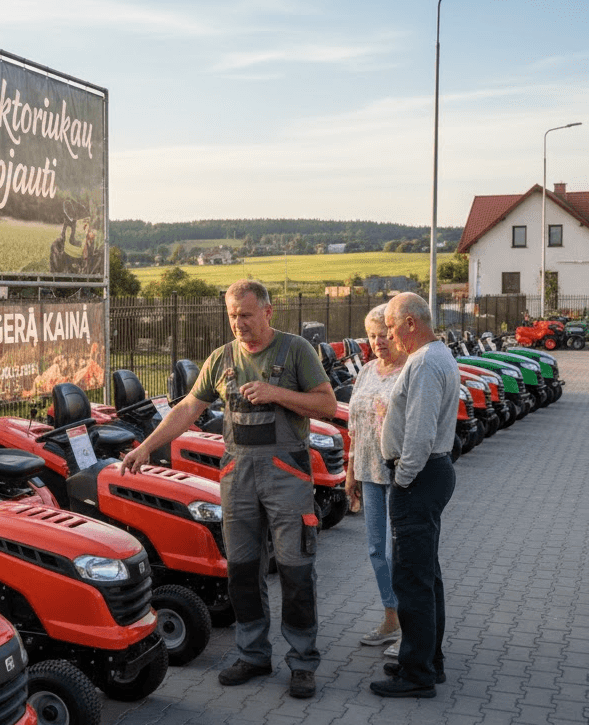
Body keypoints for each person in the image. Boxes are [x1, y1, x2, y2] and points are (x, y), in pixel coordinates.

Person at [119, 279, 336, 699]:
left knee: (295, 569)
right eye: (233, 316)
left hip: (286, 475)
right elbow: (188, 407)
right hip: (238, 476)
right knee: (241, 570)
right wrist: (147, 446)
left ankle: (302, 661)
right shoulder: (221, 358)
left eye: (247, 315)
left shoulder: (295, 351)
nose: (239, 323)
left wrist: (276, 392)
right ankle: (253, 654)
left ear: (268, 312)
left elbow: (326, 404)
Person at [370, 292, 460, 698]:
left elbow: (420, 434)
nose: (388, 335)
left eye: (391, 326)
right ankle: (427, 661)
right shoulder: (438, 355)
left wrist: (403, 478)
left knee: (411, 579)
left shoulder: (423, 363)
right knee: (426, 576)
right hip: (431, 474)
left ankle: (417, 673)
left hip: (419, 478)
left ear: (410, 323)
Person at [345, 304, 407, 652]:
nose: (378, 341)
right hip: (368, 472)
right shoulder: (367, 370)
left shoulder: (409, 370)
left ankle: (410, 627)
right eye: (371, 336)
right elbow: (355, 426)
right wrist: (350, 472)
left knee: (397, 552)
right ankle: (390, 618)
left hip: (400, 475)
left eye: (383, 334)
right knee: (376, 550)